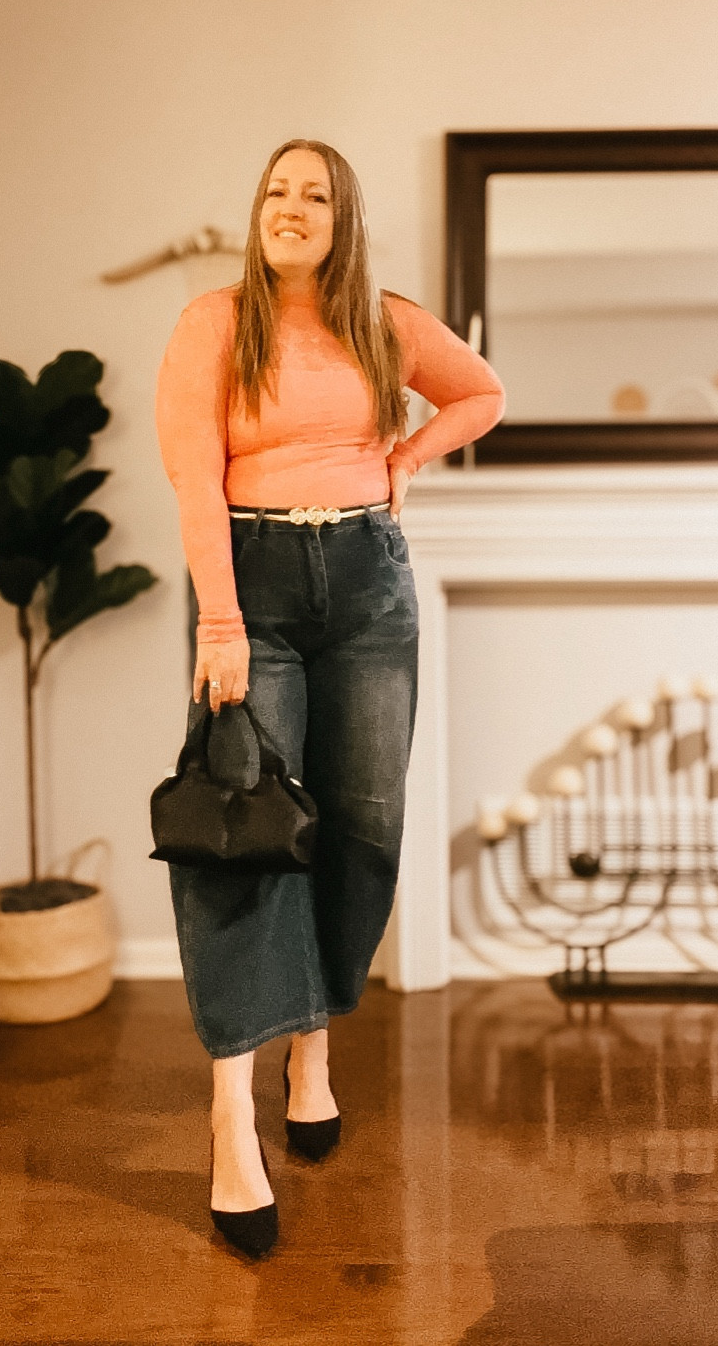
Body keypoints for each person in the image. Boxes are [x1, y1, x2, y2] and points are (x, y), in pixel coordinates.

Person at [155, 138, 505, 1257]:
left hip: (367, 581)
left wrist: (405, 457)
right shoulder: (217, 320)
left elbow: (481, 393)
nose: (291, 207)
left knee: (359, 825)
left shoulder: (379, 319)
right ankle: (229, 1112)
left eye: (315, 194)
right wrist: (218, 619)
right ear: (254, 210)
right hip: (248, 584)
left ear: (341, 219)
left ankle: (311, 1052)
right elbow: (190, 475)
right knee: (247, 832)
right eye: (275, 190)